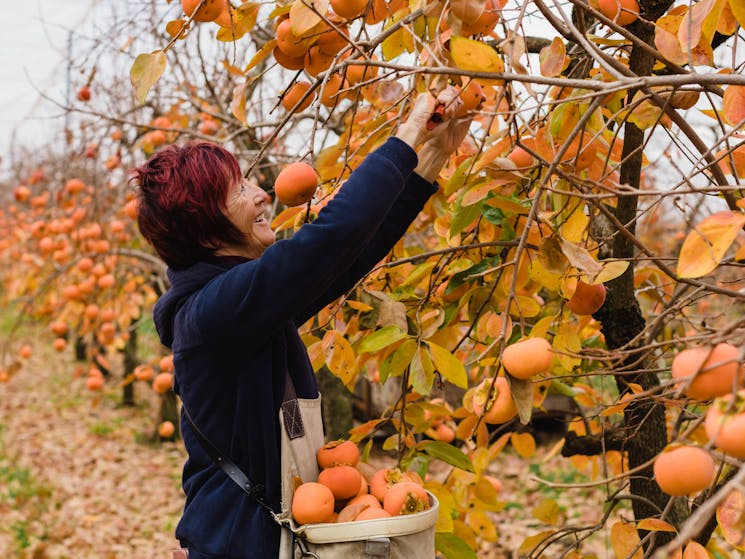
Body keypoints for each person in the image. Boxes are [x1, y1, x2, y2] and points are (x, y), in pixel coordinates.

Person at [131, 87, 470, 559]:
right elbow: (328, 240)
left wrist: (428, 160)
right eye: (239, 189)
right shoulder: (216, 313)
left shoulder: (247, 308)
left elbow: (346, 260)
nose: (261, 193)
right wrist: (409, 133)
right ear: (207, 227)